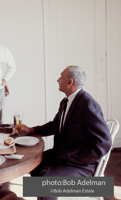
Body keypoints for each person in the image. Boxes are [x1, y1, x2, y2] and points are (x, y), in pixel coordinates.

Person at [17, 66, 112, 200]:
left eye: (60, 77)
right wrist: (32, 130)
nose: (58, 80)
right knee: (32, 163)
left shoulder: (87, 104)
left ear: (69, 82)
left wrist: (78, 157)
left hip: (83, 164)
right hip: (63, 155)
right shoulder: (66, 101)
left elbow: (104, 141)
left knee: (44, 184)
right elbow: (55, 125)